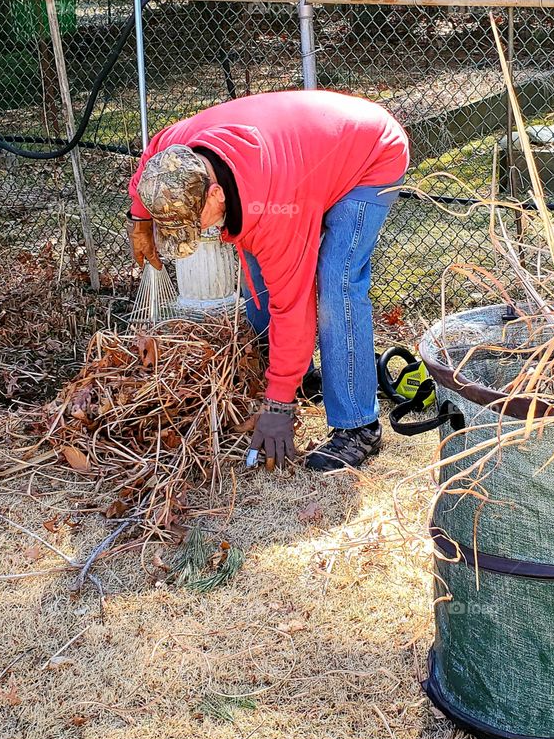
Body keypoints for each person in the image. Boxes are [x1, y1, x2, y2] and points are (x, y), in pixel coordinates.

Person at [127, 89, 409, 472]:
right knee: (259, 274)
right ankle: (301, 374)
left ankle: (358, 427)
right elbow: (152, 156)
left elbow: (293, 305)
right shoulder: (179, 153)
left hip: (371, 152)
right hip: (311, 148)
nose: (197, 234)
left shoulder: (276, 209)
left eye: (196, 223)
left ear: (216, 195)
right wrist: (140, 219)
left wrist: (278, 404)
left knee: (335, 282)